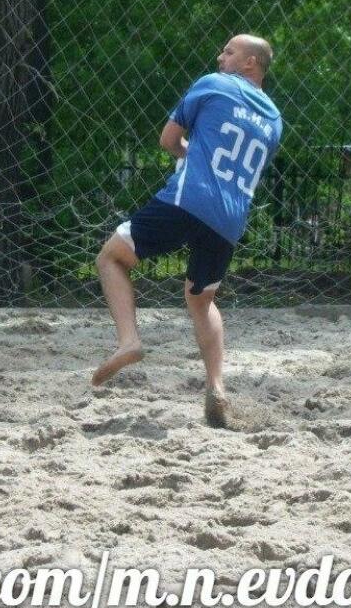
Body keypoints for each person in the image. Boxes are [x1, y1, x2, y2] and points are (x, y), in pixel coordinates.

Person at [91, 34, 283, 427]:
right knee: (201, 300)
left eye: (229, 51)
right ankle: (217, 388)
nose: (220, 56)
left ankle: (129, 341)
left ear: (250, 62)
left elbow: (167, 140)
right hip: (229, 219)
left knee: (111, 257)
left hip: (189, 199)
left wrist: (188, 153)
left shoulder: (214, 84)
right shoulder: (275, 119)